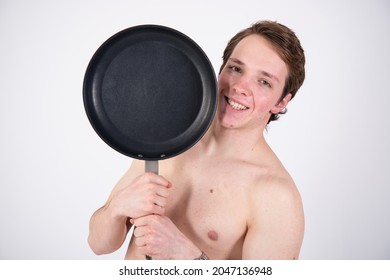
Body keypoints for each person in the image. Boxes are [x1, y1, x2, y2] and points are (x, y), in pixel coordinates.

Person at [88, 20, 306, 260]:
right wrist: (116, 209)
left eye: (264, 82)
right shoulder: (169, 136)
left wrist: (189, 257)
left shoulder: (276, 195)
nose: (240, 87)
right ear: (221, 69)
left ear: (282, 102)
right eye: (236, 68)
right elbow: (98, 244)